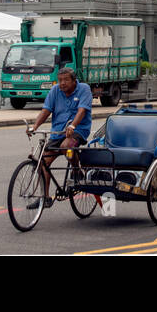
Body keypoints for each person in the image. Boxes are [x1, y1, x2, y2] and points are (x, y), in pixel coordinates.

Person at [26, 67, 93, 207]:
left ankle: (77, 170)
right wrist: (34, 127)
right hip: (58, 131)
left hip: (78, 130)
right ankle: (45, 197)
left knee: (66, 146)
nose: (62, 83)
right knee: (43, 161)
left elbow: (82, 111)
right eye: (60, 80)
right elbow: (46, 110)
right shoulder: (55, 90)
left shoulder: (84, 89)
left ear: (74, 81)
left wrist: (73, 126)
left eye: (66, 80)